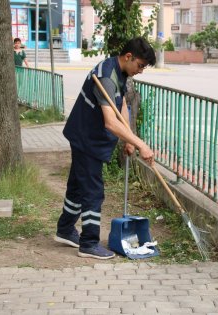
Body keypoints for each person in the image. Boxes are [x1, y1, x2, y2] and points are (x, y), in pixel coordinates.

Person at [55, 37, 156, 259]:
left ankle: (64, 229)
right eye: (140, 65)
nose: (140, 71)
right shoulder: (106, 77)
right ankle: (89, 243)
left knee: (77, 186)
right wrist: (141, 144)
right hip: (86, 139)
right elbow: (111, 122)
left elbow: (121, 105)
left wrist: (130, 139)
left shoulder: (120, 72)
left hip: (89, 137)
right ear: (129, 57)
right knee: (93, 191)